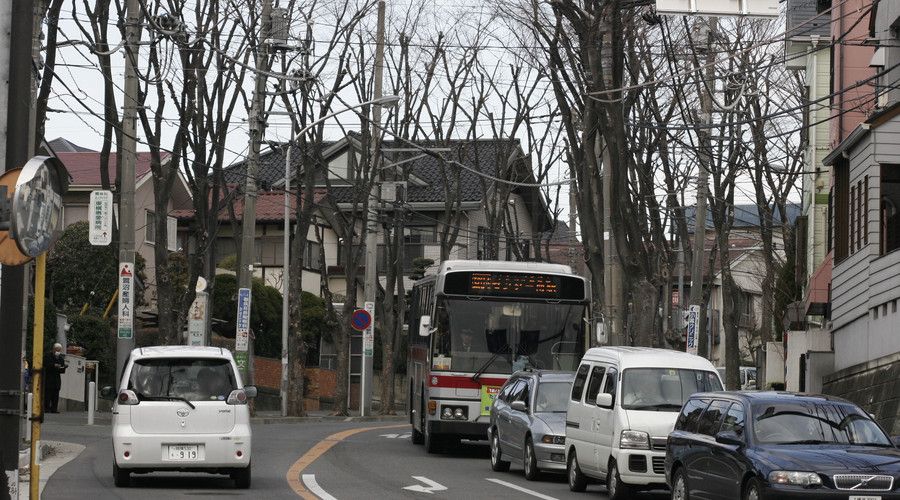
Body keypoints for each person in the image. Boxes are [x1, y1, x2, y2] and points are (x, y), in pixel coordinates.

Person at [44, 343, 67, 413]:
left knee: (56, 395)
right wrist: (54, 365)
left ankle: (54, 409)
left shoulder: (60, 358)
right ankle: (46, 408)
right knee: (47, 395)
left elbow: (62, 371)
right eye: (57, 350)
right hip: (49, 378)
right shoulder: (48, 356)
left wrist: (64, 367)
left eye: (59, 350)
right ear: (53, 349)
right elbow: (46, 366)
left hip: (56, 379)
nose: (58, 352)